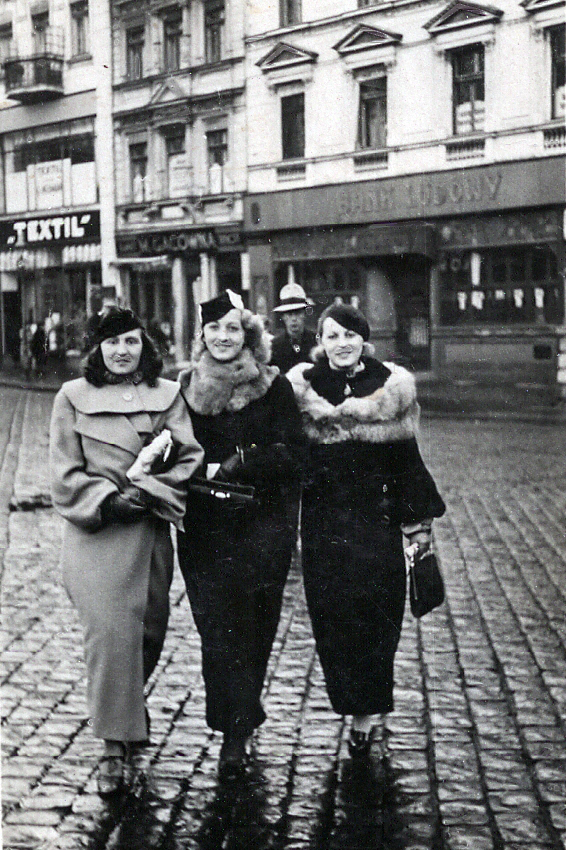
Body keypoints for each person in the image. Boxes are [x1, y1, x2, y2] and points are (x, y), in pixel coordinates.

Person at [49, 307, 203, 796]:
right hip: (96, 533)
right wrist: (110, 501)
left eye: (131, 342)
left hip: (149, 532)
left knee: (148, 632)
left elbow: (190, 455)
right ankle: (114, 747)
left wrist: (152, 491)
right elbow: (64, 473)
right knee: (110, 637)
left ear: (145, 346)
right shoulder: (71, 398)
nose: (122, 352)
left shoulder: (167, 395)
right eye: (112, 343)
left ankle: (126, 710)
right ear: (95, 349)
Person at [287, 303, 445, 757]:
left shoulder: (389, 388)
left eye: (350, 335)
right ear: (322, 341)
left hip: (375, 528)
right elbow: (286, 461)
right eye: (332, 335)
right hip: (322, 531)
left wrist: (418, 527)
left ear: (363, 340)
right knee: (333, 621)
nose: (341, 344)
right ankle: (351, 703)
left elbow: (407, 465)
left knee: (377, 619)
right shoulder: (304, 390)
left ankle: (367, 714)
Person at [176, 290, 304, 780]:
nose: (223, 337)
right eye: (214, 329)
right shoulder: (185, 389)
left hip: (261, 528)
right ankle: (234, 721)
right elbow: (169, 447)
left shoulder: (273, 388)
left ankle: (237, 733)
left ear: (248, 334)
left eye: (233, 328)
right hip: (204, 532)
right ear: (202, 335)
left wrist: (245, 461)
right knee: (215, 630)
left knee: (252, 628)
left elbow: (295, 454)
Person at [270, 283, 317, 374]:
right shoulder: (274, 346)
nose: (294, 319)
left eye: (298, 313)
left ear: (304, 315)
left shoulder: (316, 342)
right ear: (283, 317)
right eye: (289, 314)